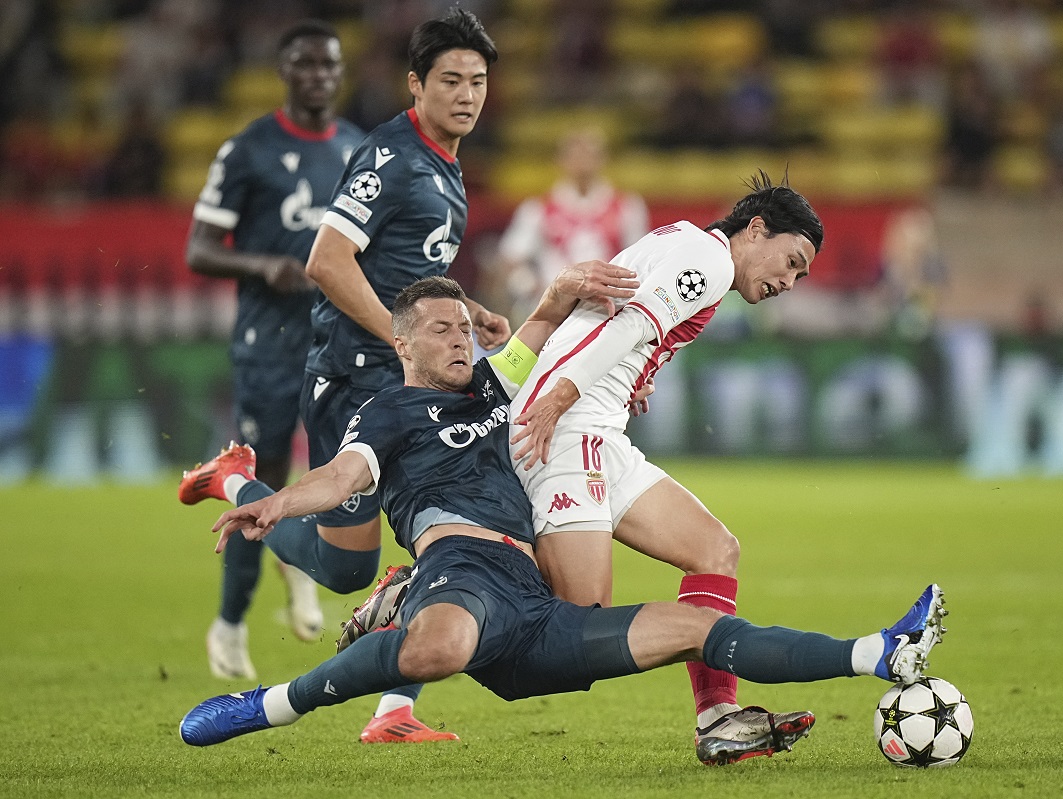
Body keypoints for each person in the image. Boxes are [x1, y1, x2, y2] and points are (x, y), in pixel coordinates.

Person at [178, 275, 949, 764]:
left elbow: (538, 336)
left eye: (464, 326)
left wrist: (563, 297)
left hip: (533, 601)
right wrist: (278, 495)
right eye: (441, 328)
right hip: (466, 571)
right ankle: (272, 701)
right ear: (402, 341)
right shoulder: (390, 410)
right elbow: (347, 476)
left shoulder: (489, 389)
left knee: (694, 626)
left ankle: (881, 651)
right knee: (435, 644)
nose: (460, 338)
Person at [178, 7, 510, 744]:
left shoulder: (444, 160)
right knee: (349, 571)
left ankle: (394, 711)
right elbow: (328, 260)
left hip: (400, 372)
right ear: (416, 84)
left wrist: (465, 311)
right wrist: (401, 338)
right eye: (450, 80)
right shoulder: (392, 157)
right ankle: (242, 483)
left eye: (478, 81)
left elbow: (410, 270)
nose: (466, 94)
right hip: (356, 374)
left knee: (454, 523)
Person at [504, 172, 826, 762]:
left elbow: (622, 317)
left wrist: (638, 370)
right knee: (582, 627)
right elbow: (628, 324)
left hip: (600, 425)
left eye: (800, 276)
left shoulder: (686, 240)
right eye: (790, 261)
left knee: (714, 550)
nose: (789, 281)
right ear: (756, 230)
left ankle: (719, 718)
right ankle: (424, 589)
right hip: (570, 423)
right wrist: (556, 398)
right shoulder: (713, 264)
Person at [179, 19, 363, 682]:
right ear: (285, 71)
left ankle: (305, 568)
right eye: (306, 64)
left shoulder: (356, 147)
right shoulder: (249, 148)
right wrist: (264, 267)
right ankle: (229, 624)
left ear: (340, 73)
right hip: (269, 346)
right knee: (260, 475)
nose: (319, 75)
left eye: (329, 65)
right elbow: (198, 248)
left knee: (344, 475)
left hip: (337, 343)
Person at [490, 129, 648, 321]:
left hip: (610, 309)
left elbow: (642, 260)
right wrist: (529, 285)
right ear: (560, 160)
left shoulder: (627, 207)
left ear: (603, 159)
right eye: (575, 155)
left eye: (589, 154)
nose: (582, 162)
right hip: (556, 308)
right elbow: (510, 260)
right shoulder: (538, 208)